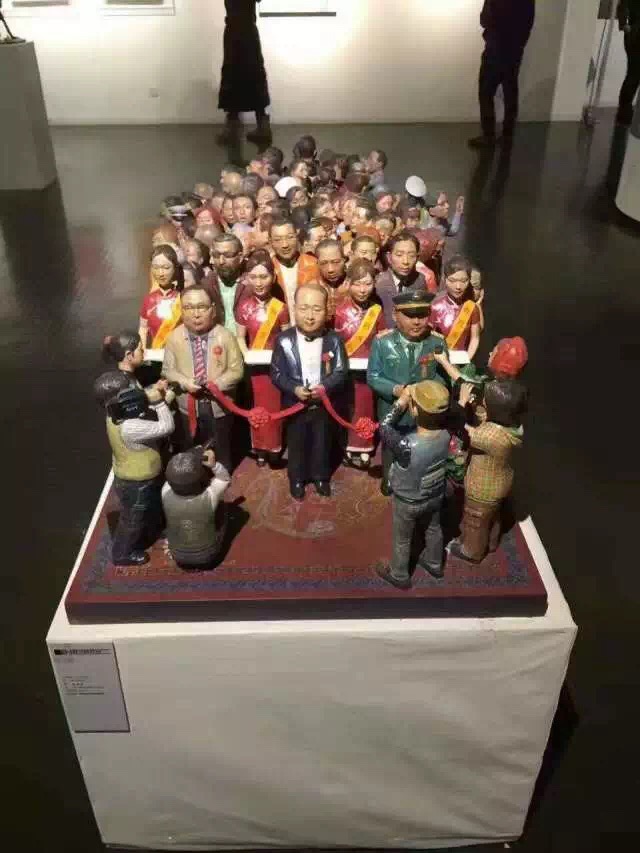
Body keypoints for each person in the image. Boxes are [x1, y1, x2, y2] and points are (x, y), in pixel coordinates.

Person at [270, 283, 349, 500]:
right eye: (304, 308)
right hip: (294, 404)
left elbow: (341, 371)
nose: (310, 316)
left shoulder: (334, 340)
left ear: (327, 310)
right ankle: (297, 478)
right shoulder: (283, 340)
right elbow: (276, 373)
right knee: (297, 443)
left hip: (324, 405)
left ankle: (321, 476)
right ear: (294, 309)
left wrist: (324, 388)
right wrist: (294, 389)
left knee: (322, 441)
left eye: (317, 309)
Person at [368, 290, 450, 495]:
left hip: (424, 411)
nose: (416, 322)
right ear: (395, 315)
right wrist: (398, 390)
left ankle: (415, 480)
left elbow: (443, 377)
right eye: (409, 315)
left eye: (422, 315)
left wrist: (425, 392)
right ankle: (389, 478)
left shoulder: (437, 343)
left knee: (421, 449)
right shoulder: (383, 342)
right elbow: (374, 377)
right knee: (390, 446)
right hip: (392, 407)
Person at [94, 371, 175, 566]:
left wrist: (156, 393)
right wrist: (160, 403)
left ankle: (152, 530)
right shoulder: (130, 427)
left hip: (137, 476)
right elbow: (166, 427)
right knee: (133, 519)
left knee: (150, 507)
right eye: (129, 390)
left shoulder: (114, 414)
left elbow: (138, 406)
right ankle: (123, 553)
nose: (135, 391)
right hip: (136, 482)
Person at [162, 284, 244, 472]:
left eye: (202, 307)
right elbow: (167, 370)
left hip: (219, 404)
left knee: (221, 441)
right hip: (188, 405)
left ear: (213, 310)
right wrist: (184, 382)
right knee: (191, 441)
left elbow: (237, 370)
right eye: (189, 308)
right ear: (181, 311)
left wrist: (216, 385)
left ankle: (222, 472)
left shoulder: (226, 336)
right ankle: (193, 473)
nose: (196, 314)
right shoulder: (174, 338)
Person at [377, 381, 451, 589]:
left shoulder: (406, 445)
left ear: (415, 410)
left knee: (402, 538)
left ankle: (399, 574)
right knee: (434, 528)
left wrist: (401, 402)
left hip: (408, 501)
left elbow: (384, 427)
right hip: (434, 494)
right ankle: (435, 563)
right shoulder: (446, 435)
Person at [448, 379, 527, 563]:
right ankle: (491, 542)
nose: (483, 401)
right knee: (492, 517)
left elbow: (463, 429)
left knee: (475, 520)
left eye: (486, 401)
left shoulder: (490, 437)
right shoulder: (512, 427)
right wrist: (476, 405)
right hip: (500, 484)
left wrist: (461, 403)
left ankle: (472, 551)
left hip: (482, 488)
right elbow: (487, 418)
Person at [235, 251, 290, 466]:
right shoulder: (243, 307)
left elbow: (286, 338)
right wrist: (246, 355)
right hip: (254, 369)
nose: (259, 283)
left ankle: (275, 446)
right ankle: (259, 447)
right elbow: (240, 337)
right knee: (256, 408)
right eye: (254, 277)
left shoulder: (281, 308)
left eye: (264, 277)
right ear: (247, 278)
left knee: (275, 408)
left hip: (275, 368)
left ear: (273, 277)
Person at [334, 259, 386, 468]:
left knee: (366, 408)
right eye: (357, 284)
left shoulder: (377, 311)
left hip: (368, 370)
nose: (363, 290)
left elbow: (381, 339)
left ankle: (365, 445)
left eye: (367, 284)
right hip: (346, 371)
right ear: (348, 283)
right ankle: (347, 445)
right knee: (348, 407)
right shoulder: (339, 311)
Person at [469, 0, 536, 149]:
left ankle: (489, 136)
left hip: (496, 49)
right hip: (514, 49)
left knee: (486, 92)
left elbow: (485, 19)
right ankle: (507, 135)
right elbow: (528, 22)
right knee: (510, 91)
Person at [162, 448, 230, 571]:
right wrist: (214, 465)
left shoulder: (165, 492)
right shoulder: (211, 495)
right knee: (222, 507)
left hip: (178, 556)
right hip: (207, 556)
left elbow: (174, 479)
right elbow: (224, 479)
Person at [218, 0, 271, 144]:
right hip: (247, 30)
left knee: (233, 74)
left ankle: (233, 127)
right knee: (254, 74)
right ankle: (261, 125)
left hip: (235, 31)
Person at [429, 256, 482, 360]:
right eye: (452, 281)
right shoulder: (435, 306)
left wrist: (467, 359)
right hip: (438, 360)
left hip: (462, 359)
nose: (458, 286)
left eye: (463, 281)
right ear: (444, 279)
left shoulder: (472, 308)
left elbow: (475, 338)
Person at [375, 230, 430, 327]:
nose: (405, 261)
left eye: (411, 256)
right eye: (399, 255)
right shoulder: (378, 284)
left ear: (417, 258)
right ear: (389, 257)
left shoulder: (420, 281)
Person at [270, 217, 319, 320]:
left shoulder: (313, 264)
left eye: (290, 237)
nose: (285, 245)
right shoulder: (268, 269)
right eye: (278, 240)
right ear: (271, 242)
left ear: (297, 237)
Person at [139, 245, 185, 349]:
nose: (160, 273)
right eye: (156, 268)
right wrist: (142, 350)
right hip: (156, 353)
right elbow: (143, 328)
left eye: (166, 268)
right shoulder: (148, 300)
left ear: (175, 268)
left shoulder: (183, 298)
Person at [208, 233, 247, 335]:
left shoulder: (251, 284)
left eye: (228, 256)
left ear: (240, 257)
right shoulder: (207, 284)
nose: (221, 261)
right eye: (216, 255)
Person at [617, 0, 640, 126]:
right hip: (635, 37)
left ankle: (624, 115)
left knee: (633, 76)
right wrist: (625, 25)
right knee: (633, 76)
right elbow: (622, 6)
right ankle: (624, 115)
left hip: (634, 34)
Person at [316, 238, 348, 316]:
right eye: (324, 263)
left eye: (336, 262)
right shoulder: (312, 288)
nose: (330, 269)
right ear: (317, 263)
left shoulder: (356, 285)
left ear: (344, 260)